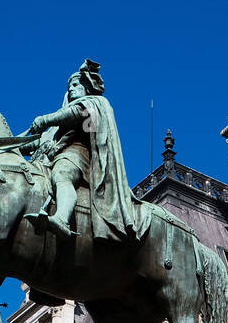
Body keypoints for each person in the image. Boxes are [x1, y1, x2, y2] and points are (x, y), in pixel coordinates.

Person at [23, 60, 140, 242]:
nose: (71, 89)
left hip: (79, 155)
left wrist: (46, 119)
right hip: (54, 156)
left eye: (76, 84)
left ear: (86, 86)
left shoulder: (93, 105)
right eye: (69, 86)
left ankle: (62, 219)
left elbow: (78, 115)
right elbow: (36, 142)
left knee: (62, 174)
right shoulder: (57, 128)